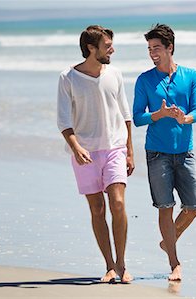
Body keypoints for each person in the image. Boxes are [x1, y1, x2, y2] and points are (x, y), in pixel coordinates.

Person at [57, 25, 134, 284]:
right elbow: (63, 120)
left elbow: (126, 115)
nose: (112, 49)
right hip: (85, 153)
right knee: (98, 209)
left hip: (115, 148)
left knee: (119, 204)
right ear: (91, 48)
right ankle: (109, 266)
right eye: (107, 45)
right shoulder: (68, 77)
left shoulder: (115, 74)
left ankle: (122, 265)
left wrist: (130, 152)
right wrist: (76, 147)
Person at [133, 24, 196, 281]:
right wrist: (159, 114)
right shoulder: (144, 80)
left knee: (193, 206)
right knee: (165, 206)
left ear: (170, 48)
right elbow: (138, 118)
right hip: (157, 153)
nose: (153, 53)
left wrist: (185, 119)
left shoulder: (191, 75)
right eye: (150, 48)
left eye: (157, 48)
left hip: (185, 151)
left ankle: (168, 240)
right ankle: (174, 263)